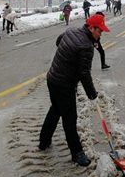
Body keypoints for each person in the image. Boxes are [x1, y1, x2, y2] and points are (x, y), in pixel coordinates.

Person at [38, 14, 110, 166]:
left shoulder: (71, 31)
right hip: (64, 84)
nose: (100, 34)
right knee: (70, 119)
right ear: (91, 28)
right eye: (99, 31)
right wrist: (92, 94)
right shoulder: (86, 47)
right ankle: (77, 153)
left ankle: (44, 141)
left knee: (56, 109)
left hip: (52, 77)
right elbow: (84, 74)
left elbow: (59, 42)